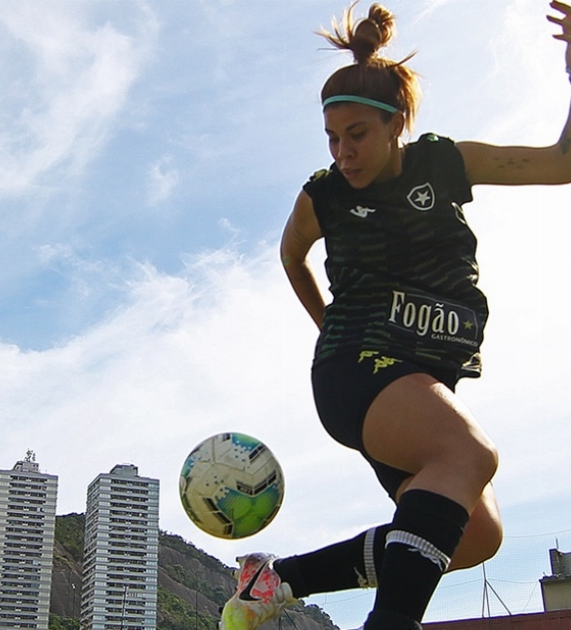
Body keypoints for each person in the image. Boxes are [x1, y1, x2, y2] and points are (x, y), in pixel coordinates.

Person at [218, 2, 571, 630]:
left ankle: (279, 579)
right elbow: (290, 255)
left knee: (474, 537)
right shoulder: (322, 195)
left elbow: (562, 162)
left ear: (396, 125)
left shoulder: (446, 164)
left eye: (356, 135)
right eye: (331, 137)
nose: (343, 152)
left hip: (420, 378)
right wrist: (328, 325)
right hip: (360, 367)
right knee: (470, 454)